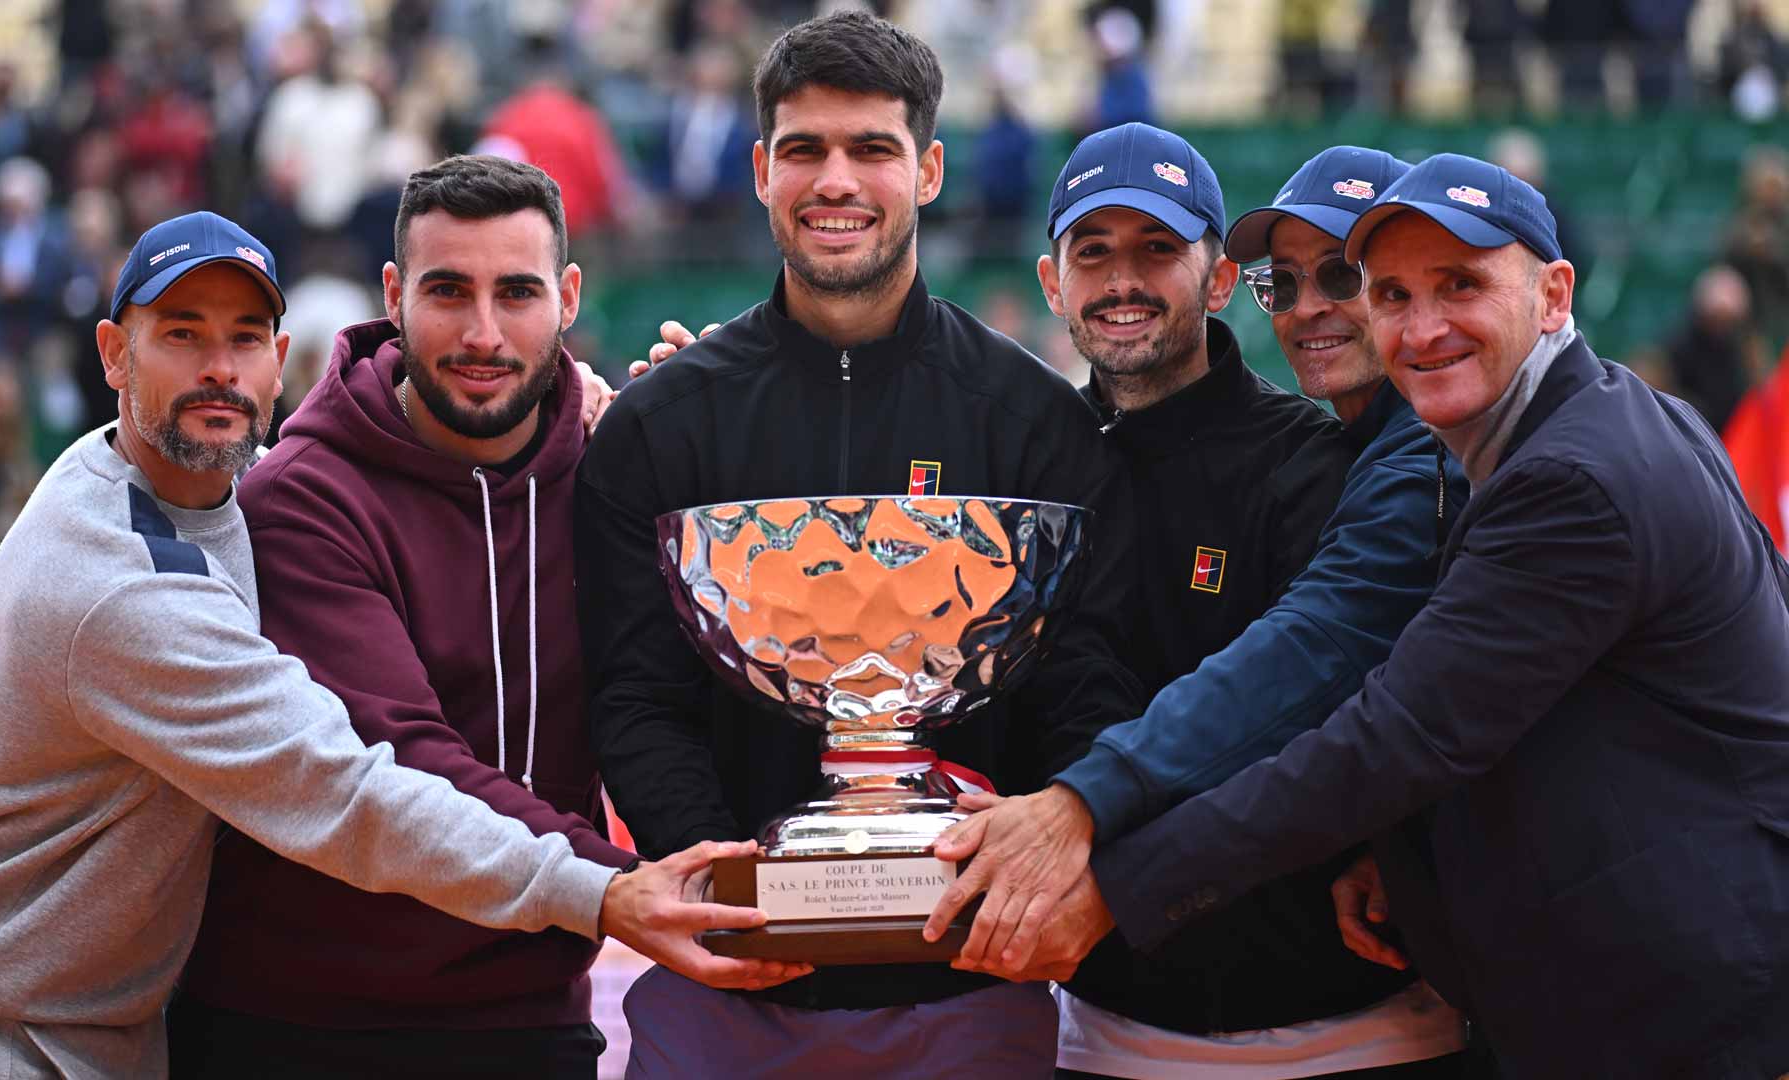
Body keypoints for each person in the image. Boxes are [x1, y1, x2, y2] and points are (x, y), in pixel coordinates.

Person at [0, 211, 789, 1079]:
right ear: (114, 353)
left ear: (279, 364)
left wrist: (611, 418)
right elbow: (342, 790)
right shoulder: (124, 590)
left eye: (243, 340)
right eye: (181, 335)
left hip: (78, 1026)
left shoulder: (163, 482)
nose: (218, 370)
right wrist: (602, 891)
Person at [997, 153, 1789, 1077]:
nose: (1422, 325)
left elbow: (1394, 729)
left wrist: (1112, 877)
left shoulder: (1563, 478)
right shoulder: (1607, 417)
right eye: (1392, 294)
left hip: (1693, 1006)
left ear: (1554, 295)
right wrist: (1407, 852)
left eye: (1460, 285)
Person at [576, 12, 1143, 1077]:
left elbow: (1082, 686)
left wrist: (1017, 855)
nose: (835, 181)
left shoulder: (1034, 423)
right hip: (729, 990)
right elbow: (636, 697)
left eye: (872, 148)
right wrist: (741, 891)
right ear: (761, 171)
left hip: (968, 984)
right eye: (805, 149)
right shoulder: (662, 427)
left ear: (927, 170)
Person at [170, 156, 771, 1078]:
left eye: (518, 292)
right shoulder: (301, 498)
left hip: (530, 1019)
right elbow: (405, 760)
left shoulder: (617, 473)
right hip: (297, 1027)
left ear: (569, 298)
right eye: (448, 291)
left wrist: (726, 475)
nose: (483, 333)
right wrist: (620, 890)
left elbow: (731, 685)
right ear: (394, 295)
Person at [924, 145, 1479, 1078]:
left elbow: (1318, 702)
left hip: (1355, 1027)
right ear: (1052, 284)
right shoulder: (1025, 467)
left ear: (1217, 281)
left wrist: (1087, 824)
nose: (1123, 281)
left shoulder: (1336, 462)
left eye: (1157, 248)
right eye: (1093, 252)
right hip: (1100, 1026)